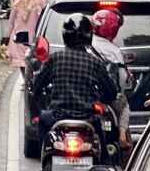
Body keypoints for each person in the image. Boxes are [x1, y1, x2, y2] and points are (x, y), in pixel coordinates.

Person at [30, 14, 119, 149]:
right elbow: (112, 91)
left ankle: (44, 152)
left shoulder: (55, 58)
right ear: (89, 36)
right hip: (88, 119)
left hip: (58, 117)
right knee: (103, 152)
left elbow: (37, 84)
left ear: (65, 35)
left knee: (42, 119)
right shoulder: (95, 62)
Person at [90, 9, 133, 149]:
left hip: (86, 96)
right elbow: (121, 79)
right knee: (124, 106)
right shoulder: (113, 50)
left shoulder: (85, 45)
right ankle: (121, 137)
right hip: (107, 97)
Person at [6, 0, 42, 78]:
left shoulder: (16, 6)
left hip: (19, 38)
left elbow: (11, 22)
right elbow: (40, 22)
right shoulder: (37, 7)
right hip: (31, 38)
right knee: (30, 59)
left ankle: (25, 79)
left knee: (21, 61)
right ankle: (29, 79)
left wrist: (8, 35)